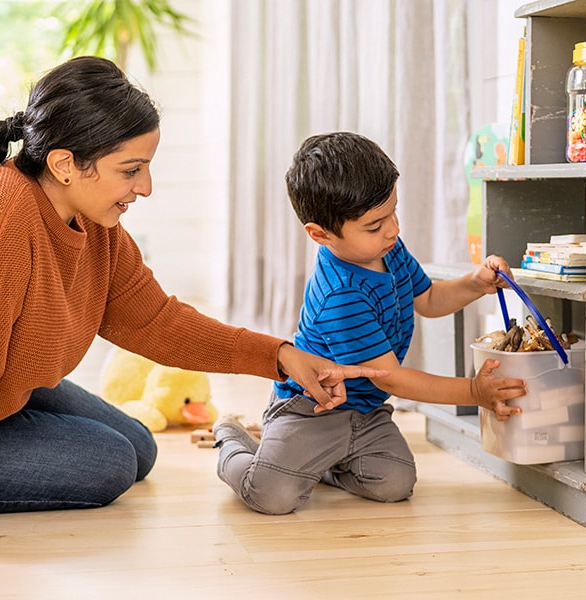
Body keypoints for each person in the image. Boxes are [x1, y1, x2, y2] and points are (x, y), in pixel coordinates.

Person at [0, 57, 387, 574]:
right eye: (131, 170)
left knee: (139, 446)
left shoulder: (93, 221)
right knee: (112, 463)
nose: (145, 187)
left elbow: (156, 322)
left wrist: (282, 356)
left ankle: (2, 434)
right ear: (67, 164)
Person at [213, 131, 527, 516]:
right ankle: (231, 439)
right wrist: (474, 392)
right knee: (272, 495)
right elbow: (390, 377)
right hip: (311, 410)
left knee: (395, 483)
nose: (392, 229)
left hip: (366, 410)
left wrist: (474, 284)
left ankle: (320, 465)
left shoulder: (388, 249)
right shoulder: (340, 294)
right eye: (375, 225)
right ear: (320, 234)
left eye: (393, 212)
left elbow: (428, 300)